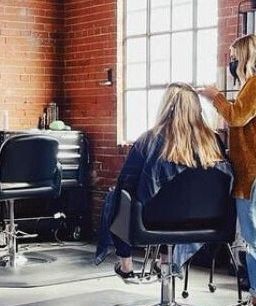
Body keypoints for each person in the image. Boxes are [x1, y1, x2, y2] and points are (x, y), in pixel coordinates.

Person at [94, 82, 233, 281]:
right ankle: (166, 261)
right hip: (206, 221)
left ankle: (126, 264)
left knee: (115, 197)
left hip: (153, 221)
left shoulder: (149, 139)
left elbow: (126, 184)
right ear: (196, 108)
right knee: (177, 202)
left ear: (166, 106)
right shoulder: (213, 141)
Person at [199, 34, 256, 306]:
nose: (232, 62)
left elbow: (236, 117)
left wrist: (215, 98)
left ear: (247, 56)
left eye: (235, 56)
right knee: (254, 238)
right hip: (252, 173)